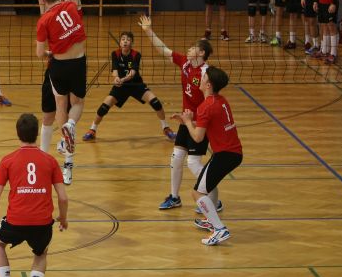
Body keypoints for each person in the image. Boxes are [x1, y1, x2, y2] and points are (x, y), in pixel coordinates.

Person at [0, 113, 68, 277]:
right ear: (37, 133)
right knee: (41, 253)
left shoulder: (8, 160)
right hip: (42, 223)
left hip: (16, 221)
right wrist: (63, 219)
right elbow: (63, 197)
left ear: (17, 133)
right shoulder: (50, 161)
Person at [138, 15, 221, 214]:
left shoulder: (207, 73)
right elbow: (163, 49)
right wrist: (148, 31)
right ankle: (174, 197)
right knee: (176, 158)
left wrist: (199, 120)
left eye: (193, 47)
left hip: (200, 123)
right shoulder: (185, 63)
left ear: (201, 53)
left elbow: (212, 100)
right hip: (186, 120)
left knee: (193, 162)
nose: (189, 49)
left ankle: (215, 200)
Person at [25, 0, 80, 155]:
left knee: (66, 110)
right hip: (54, 67)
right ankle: (44, 154)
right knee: (49, 114)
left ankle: (67, 152)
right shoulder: (48, 13)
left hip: (70, 66)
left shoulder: (73, 10)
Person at [181, 66, 243, 246]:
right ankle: (212, 221)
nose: (200, 79)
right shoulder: (221, 100)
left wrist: (187, 122)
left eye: (203, 77)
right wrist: (189, 120)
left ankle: (220, 229)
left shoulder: (205, 106)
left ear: (208, 85)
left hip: (224, 155)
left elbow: (198, 137)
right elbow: (209, 121)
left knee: (197, 193)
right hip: (233, 153)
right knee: (206, 188)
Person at [35, 0, 87, 185]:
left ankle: (66, 136)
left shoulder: (44, 20)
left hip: (58, 66)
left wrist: (48, 52)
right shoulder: (72, 6)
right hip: (78, 63)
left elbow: (40, 53)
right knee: (78, 103)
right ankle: (71, 125)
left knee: (60, 105)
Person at [81, 31, 175, 142]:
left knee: (155, 102)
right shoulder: (115, 54)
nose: (125, 41)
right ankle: (92, 130)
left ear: (131, 43)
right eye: (123, 39)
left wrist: (123, 79)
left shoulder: (136, 55)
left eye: (128, 40)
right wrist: (116, 78)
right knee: (104, 106)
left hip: (136, 84)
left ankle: (166, 128)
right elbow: (114, 70)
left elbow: (132, 73)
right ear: (120, 42)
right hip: (121, 87)